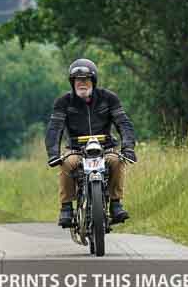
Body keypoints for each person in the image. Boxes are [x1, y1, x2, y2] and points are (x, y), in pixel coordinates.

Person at [45, 58, 137, 228]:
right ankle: (66, 208)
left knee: (117, 161)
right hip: (76, 150)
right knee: (66, 164)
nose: (82, 83)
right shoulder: (63, 102)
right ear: (72, 82)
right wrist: (53, 153)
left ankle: (115, 204)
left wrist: (128, 147)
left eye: (86, 79)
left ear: (93, 81)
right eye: (78, 80)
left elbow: (123, 123)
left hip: (105, 148)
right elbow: (54, 128)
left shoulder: (109, 98)